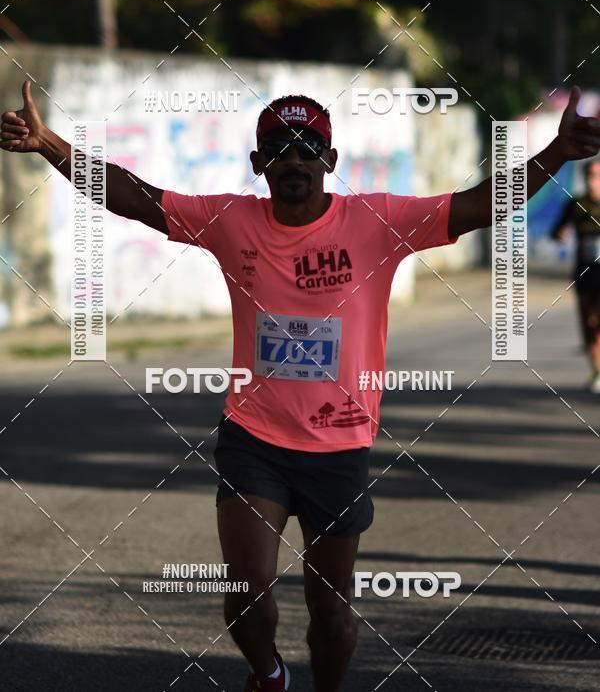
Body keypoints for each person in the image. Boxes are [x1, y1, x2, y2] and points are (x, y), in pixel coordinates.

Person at [2, 81, 599, 692]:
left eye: (308, 147)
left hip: (339, 449)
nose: (294, 159)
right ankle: (269, 672)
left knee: (331, 615)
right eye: (279, 149)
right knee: (245, 594)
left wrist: (554, 154)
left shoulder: (377, 223)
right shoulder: (231, 222)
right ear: (259, 164)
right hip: (253, 439)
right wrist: (49, 142)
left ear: (330, 161)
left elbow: (479, 204)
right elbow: (134, 197)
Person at [551, 159, 600, 391]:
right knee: (588, 323)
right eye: (589, 176)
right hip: (584, 271)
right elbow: (556, 230)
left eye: (597, 176)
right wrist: (561, 233)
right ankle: (597, 370)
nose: (593, 182)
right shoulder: (576, 205)